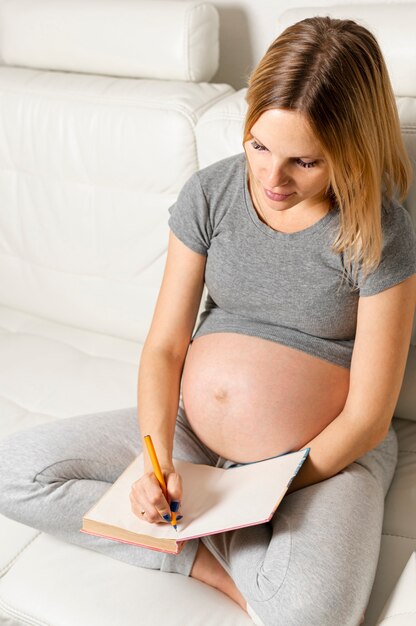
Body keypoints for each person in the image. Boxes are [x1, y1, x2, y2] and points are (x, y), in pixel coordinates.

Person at [0, 16, 415, 626]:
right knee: (13, 473)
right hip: (193, 437)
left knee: (313, 615)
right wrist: (157, 460)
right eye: (259, 146)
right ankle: (208, 561)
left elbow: (368, 417)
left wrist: (257, 493)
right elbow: (166, 346)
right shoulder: (211, 194)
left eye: (305, 161)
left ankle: (217, 533)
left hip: (323, 461)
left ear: (352, 149)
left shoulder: (380, 232)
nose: (272, 179)